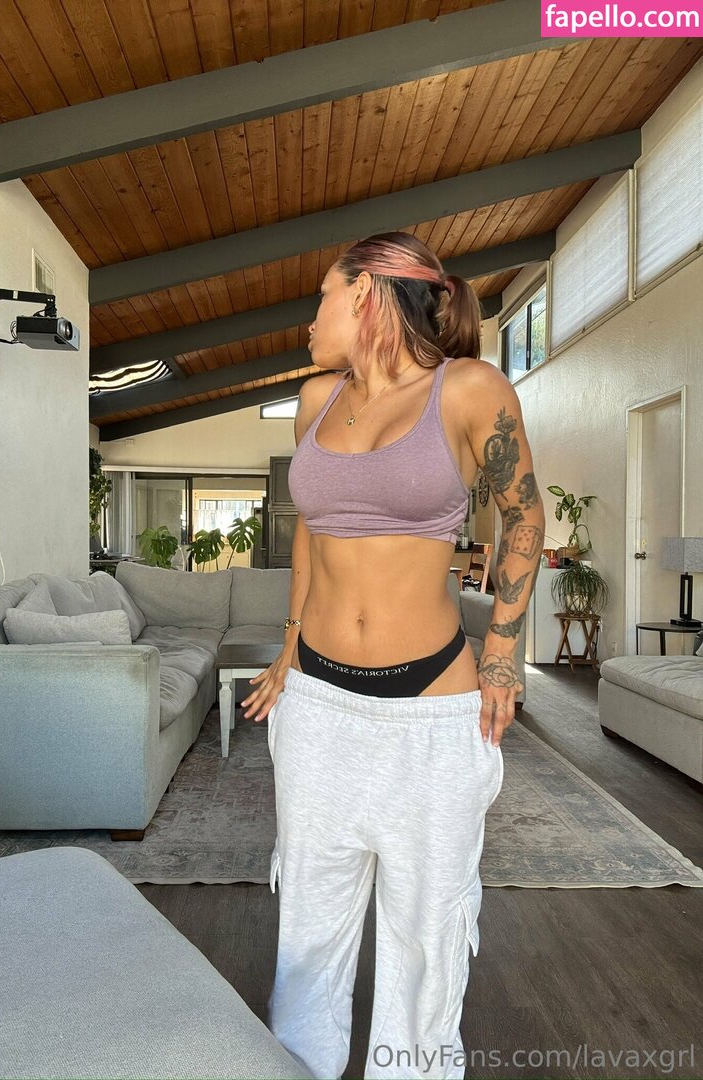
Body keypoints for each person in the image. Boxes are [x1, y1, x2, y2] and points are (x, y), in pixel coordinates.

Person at [240, 232, 545, 1080]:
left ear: (367, 295)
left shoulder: (468, 389)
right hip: (319, 705)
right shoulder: (315, 400)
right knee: (309, 929)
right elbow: (312, 534)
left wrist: (501, 657)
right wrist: (289, 647)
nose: (309, 321)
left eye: (321, 299)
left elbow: (523, 516)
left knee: (424, 937)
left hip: (430, 710)